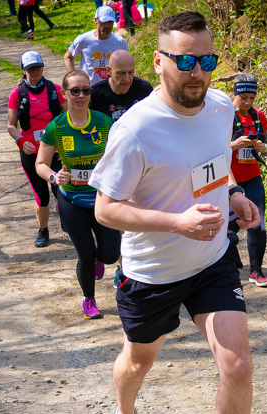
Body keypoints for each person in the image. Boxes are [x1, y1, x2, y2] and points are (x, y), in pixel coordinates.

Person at [91, 11, 267, 414]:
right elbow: (106, 207)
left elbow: (212, 169)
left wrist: (234, 196)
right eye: (186, 61)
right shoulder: (135, 130)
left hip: (213, 257)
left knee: (236, 362)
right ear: (159, 61)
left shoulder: (218, 107)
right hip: (152, 271)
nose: (198, 72)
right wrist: (175, 222)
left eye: (207, 60)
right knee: (138, 361)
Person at [35, 70, 119, 319]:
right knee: (85, 253)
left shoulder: (105, 122)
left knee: (110, 254)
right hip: (71, 198)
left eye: (86, 90)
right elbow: (40, 163)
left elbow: (120, 157)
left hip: (102, 199)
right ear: (65, 94)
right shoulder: (57, 127)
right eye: (75, 91)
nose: (81, 95)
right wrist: (53, 176)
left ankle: (99, 256)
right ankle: (89, 300)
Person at [89, 49, 152, 287]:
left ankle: (124, 267)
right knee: (113, 215)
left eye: (131, 73)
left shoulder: (143, 89)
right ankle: (111, 257)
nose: (127, 79)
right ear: (107, 72)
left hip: (137, 161)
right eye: (120, 73)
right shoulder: (96, 94)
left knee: (132, 214)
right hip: (105, 162)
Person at [7, 50, 67, 248]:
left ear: (42, 67)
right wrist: (20, 141)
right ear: (23, 71)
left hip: (55, 150)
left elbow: (69, 117)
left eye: (37, 68)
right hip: (31, 152)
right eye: (30, 69)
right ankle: (43, 230)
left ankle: (69, 222)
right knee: (41, 196)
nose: (34, 72)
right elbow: (11, 126)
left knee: (62, 189)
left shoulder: (55, 90)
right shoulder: (17, 94)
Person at [229, 73, 267, 287]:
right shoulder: (223, 115)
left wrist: (262, 148)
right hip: (228, 180)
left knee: (258, 222)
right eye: (243, 97)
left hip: (252, 176)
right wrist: (233, 145)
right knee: (228, 226)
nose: (247, 103)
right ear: (235, 94)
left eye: (252, 98)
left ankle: (256, 270)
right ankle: (223, 266)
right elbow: (210, 148)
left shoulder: (258, 115)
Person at [64, 6, 128, 87]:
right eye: (104, 22)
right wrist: (73, 77)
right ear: (96, 20)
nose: (108, 25)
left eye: (110, 22)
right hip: (89, 89)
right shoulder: (83, 39)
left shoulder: (120, 42)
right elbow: (68, 57)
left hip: (112, 89)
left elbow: (128, 65)